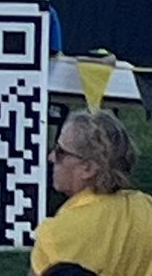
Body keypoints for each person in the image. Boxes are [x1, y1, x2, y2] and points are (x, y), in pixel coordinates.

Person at [30, 110, 152, 276]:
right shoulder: (146, 206)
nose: (51, 157)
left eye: (60, 152)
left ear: (88, 168)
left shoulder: (53, 235)